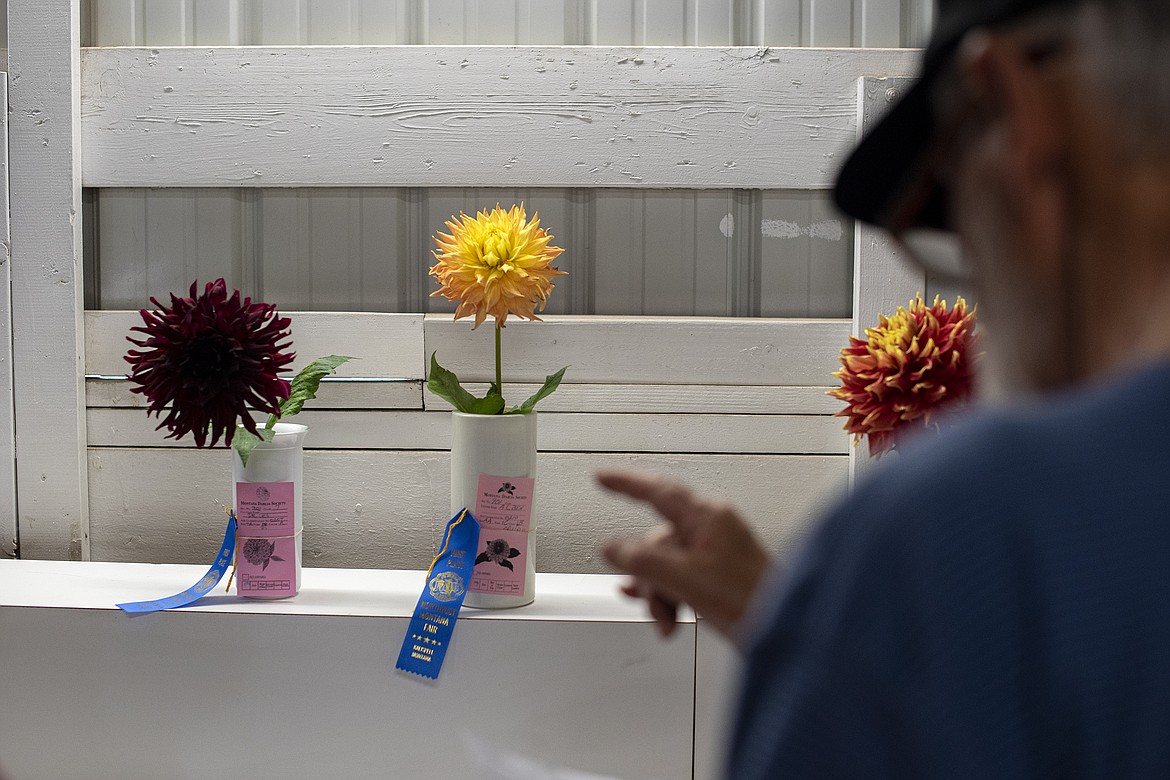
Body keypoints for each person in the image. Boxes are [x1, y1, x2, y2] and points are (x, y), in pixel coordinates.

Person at [599, 0, 1170, 776]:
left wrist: (865, 629)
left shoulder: (972, 522)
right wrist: (823, 637)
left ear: (1015, 107)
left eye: (958, 229)